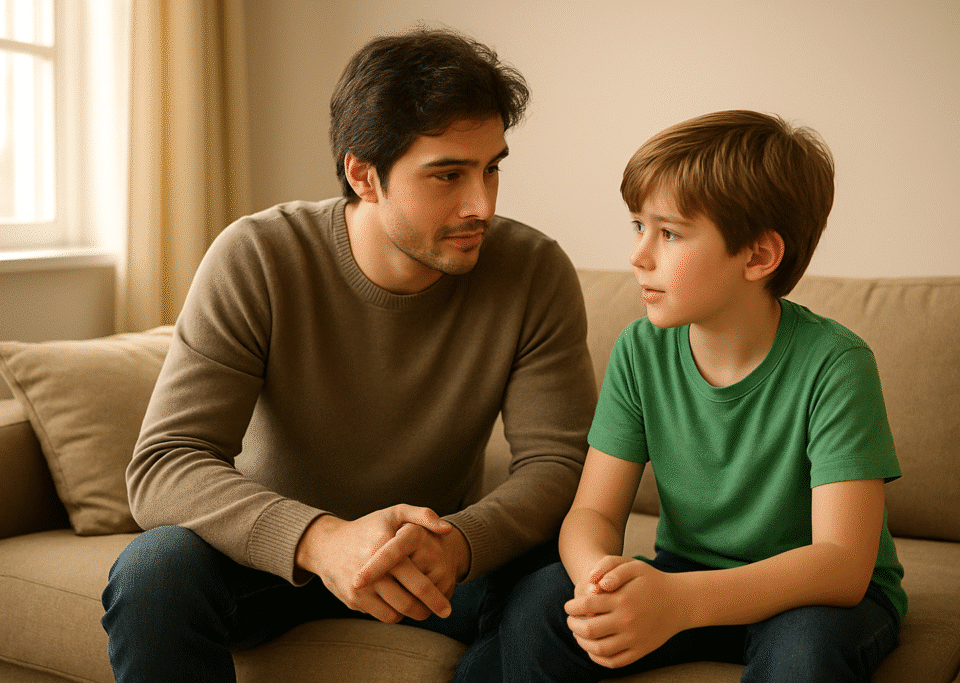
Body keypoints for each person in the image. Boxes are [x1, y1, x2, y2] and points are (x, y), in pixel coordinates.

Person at [100, 27, 597, 682]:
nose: (482, 204)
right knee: (155, 570)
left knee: (563, 588)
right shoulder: (258, 257)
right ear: (364, 174)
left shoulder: (533, 269)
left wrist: (462, 543)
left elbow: (558, 463)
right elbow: (165, 465)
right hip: (273, 561)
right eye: (448, 174)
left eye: (492, 168)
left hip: (439, 564)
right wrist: (321, 539)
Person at [461, 110, 906, 682]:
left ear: (758, 256)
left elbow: (842, 566)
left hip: (810, 596)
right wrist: (600, 578)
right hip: (681, 572)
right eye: (637, 227)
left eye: (668, 233)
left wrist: (680, 603)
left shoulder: (837, 365)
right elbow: (592, 512)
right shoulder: (640, 350)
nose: (638, 255)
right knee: (541, 601)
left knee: (805, 655)